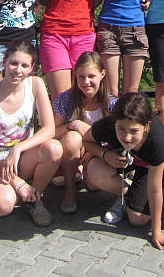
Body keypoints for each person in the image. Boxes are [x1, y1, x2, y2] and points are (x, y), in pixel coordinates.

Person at [0, 39, 61, 227]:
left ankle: (34, 199)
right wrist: (18, 183)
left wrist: (18, 148)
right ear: (4, 62)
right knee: (4, 205)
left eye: (24, 65)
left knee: (54, 148)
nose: (18, 70)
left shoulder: (35, 84)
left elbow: (49, 129)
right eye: (13, 63)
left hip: (21, 155)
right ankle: (2, 189)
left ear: (31, 68)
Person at [82, 92, 164, 251]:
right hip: (121, 158)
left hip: (148, 167)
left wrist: (157, 232)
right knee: (92, 175)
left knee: (137, 219)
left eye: (134, 131)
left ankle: (135, 195)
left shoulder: (157, 140)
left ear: (146, 126)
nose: (127, 137)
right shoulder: (108, 124)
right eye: (121, 129)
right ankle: (124, 194)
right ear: (114, 122)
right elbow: (86, 140)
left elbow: (155, 189)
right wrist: (105, 155)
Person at [52, 51, 116, 214]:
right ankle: (70, 189)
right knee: (72, 138)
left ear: (102, 74)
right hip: (72, 149)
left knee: (93, 185)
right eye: (81, 77)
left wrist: (94, 151)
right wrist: (73, 124)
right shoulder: (66, 99)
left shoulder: (111, 104)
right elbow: (52, 133)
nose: (86, 82)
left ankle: (87, 175)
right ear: (75, 75)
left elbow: (117, 139)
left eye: (91, 76)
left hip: (98, 152)